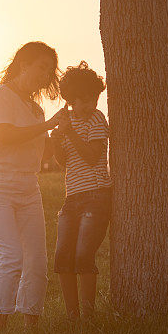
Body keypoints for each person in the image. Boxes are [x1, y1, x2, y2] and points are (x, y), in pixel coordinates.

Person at [0, 41, 68, 330]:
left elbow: (41, 154)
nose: (45, 75)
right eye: (41, 67)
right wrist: (49, 125)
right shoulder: (0, 95)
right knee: (11, 256)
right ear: (23, 64)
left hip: (28, 187)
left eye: (49, 71)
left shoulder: (36, 111)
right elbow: (5, 137)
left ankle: (31, 329)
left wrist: (60, 133)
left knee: (37, 262)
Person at [49, 61, 112, 320]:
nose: (90, 105)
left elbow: (91, 156)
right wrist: (56, 139)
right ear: (71, 99)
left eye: (94, 99)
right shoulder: (69, 121)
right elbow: (63, 161)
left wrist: (70, 132)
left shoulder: (97, 119)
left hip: (96, 196)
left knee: (84, 255)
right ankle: (72, 316)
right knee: (63, 257)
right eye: (83, 100)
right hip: (72, 197)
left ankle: (88, 316)